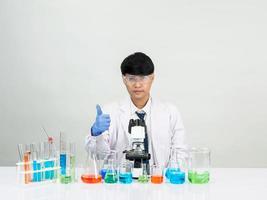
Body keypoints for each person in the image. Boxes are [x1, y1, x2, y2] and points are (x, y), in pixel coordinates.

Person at [85, 52, 186, 167]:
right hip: (121, 181)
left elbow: (179, 152)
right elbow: (99, 155)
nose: (137, 85)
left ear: (152, 78)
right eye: (131, 78)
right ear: (124, 79)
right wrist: (96, 134)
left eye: (143, 78)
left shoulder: (170, 112)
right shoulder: (109, 112)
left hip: (159, 181)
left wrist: (168, 176)